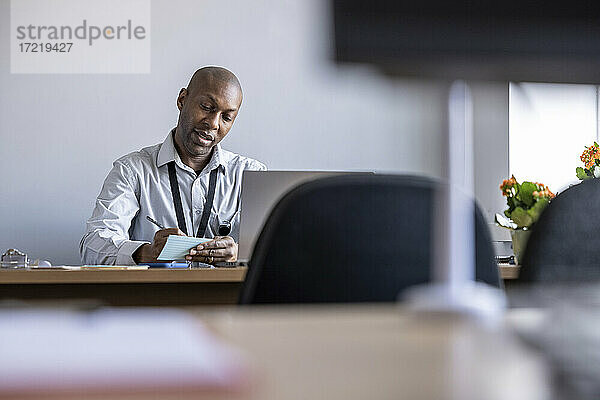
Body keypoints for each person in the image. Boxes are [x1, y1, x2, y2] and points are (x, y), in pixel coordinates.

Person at [80, 66, 266, 265]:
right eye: (206, 107)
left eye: (226, 117)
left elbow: (280, 251)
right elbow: (92, 247)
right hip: (156, 295)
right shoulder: (132, 171)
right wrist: (148, 252)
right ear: (182, 99)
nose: (213, 123)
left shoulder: (252, 175)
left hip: (228, 295)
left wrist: (241, 253)